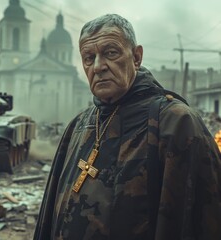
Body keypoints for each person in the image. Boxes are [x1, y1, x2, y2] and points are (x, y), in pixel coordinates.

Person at [33, 14, 221, 240]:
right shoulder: (78, 125)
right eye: (88, 58)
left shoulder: (175, 123)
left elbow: (201, 220)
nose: (99, 66)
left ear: (136, 57)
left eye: (111, 53)